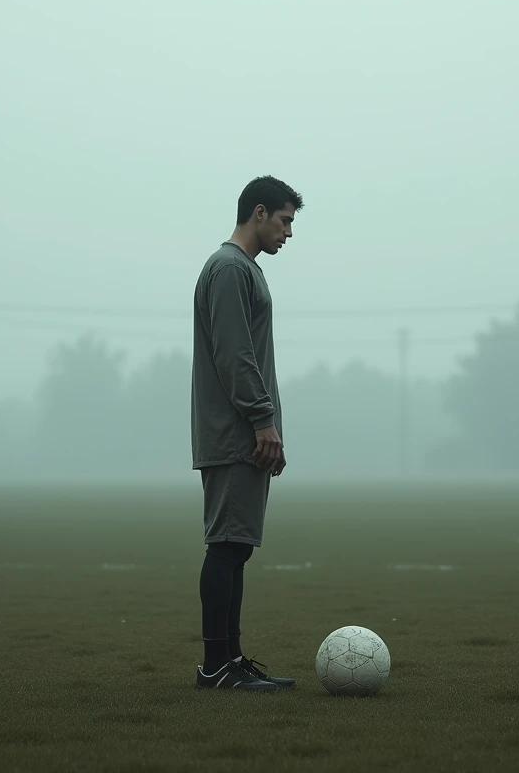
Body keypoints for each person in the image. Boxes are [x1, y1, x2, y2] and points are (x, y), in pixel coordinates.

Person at [191, 175, 303, 691]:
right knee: (227, 545)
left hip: (246, 433)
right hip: (235, 432)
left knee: (237, 546)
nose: (287, 232)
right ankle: (216, 667)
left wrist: (270, 425)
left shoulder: (243, 270)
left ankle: (231, 663)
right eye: (284, 221)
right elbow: (235, 356)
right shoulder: (230, 269)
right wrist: (262, 420)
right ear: (258, 213)